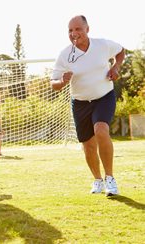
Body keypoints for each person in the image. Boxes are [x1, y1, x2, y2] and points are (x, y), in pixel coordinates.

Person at [50, 15, 125, 197]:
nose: (74, 33)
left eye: (77, 29)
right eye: (70, 30)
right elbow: (53, 82)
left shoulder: (103, 45)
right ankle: (97, 180)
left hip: (104, 97)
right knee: (89, 146)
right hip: (80, 103)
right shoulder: (65, 55)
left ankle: (110, 179)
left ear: (87, 29)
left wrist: (115, 68)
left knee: (101, 130)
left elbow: (121, 51)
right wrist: (61, 81)